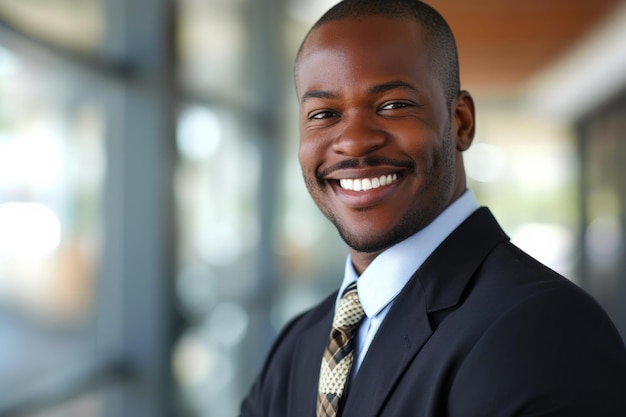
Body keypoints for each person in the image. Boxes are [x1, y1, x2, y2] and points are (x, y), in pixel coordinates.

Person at [239, 0, 626, 416]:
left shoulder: (544, 329)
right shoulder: (300, 344)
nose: (353, 141)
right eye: (324, 113)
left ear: (460, 122)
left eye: (392, 105)